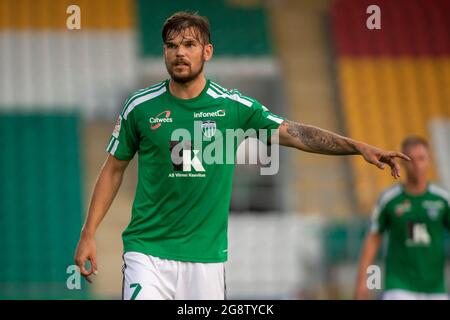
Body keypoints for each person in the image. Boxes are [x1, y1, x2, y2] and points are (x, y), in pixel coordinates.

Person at [74, 11, 409, 300]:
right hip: (147, 253)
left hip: (205, 260)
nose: (179, 53)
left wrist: (358, 146)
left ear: (207, 52)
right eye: (172, 46)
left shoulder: (233, 106)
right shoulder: (141, 107)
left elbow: (296, 134)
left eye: (189, 45)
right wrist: (88, 234)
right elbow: (113, 169)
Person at [355, 136, 450, 300]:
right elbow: (373, 239)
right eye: (412, 159)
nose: (417, 165)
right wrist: (366, 281)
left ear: (429, 161)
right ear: (403, 162)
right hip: (398, 287)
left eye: (422, 158)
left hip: (436, 288)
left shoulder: (443, 199)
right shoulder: (389, 199)